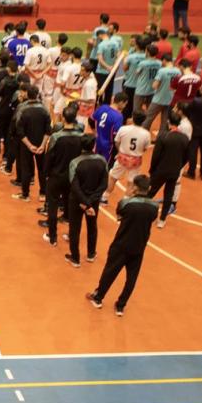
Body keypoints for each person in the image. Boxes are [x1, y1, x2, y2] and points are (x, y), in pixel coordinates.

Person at [87, 174, 159, 317]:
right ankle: (120, 306)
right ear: (149, 188)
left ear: (135, 187)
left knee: (110, 272)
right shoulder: (154, 207)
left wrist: (129, 195)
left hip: (121, 244)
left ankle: (98, 297)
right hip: (139, 247)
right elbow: (152, 220)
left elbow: (119, 217)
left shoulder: (126, 203)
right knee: (131, 278)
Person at [41, 105, 85, 246]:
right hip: (73, 177)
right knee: (73, 208)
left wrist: (46, 173)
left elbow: (49, 156)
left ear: (63, 118)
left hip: (57, 175)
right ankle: (71, 235)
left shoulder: (56, 137)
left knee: (53, 205)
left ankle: (52, 237)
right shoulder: (81, 137)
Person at [65, 134, 107, 267]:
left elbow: (74, 186)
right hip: (93, 201)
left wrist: (84, 202)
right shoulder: (102, 161)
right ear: (94, 145)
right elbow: (103, 185)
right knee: (92, 226)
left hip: (77, 201)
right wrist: (90, 202)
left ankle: (75, 258)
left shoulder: (75, 162)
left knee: (74, 228)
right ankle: (91, 254)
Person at [148, 109, 190, 227]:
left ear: (168, 122)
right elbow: (187, 156)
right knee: (168, 195)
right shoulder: (185, 138)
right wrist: (179, 166)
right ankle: (162, 220)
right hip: (174, 171)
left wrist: (152, 169)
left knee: (150, 192)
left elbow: (156, 155)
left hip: (160, 170)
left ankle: (144, 213)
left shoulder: (163, 136)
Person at [12, 85, 52, 201]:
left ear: (27, 95)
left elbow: (19, 130)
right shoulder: (45, 109)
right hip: (41, 144)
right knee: (42, 169)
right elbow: (48, 130)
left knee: (26, 169)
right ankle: (43, 194)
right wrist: (42, 145)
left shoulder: (22, 108)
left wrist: (29, 145)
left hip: (26, 144)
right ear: (37, 94)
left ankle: (25, 194)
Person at [107, 111, 152, 199]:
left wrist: (120, 151)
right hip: (135, 160)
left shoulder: (123, 129)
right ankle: (126, 200)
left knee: (113, 177)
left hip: (122, 158)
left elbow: (117, 142)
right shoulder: (146, 134)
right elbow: (145, 148)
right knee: (131, 182)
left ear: (133, 118)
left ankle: (105, 197)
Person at [144, 53, 179, 136]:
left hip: (158, 99)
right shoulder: (178, 71)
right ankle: (161, 138)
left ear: (164, 60)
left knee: (148, 118)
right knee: (164, 120)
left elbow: (154, 86)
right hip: (170, 99)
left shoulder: (162, 71)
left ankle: (143, 134)